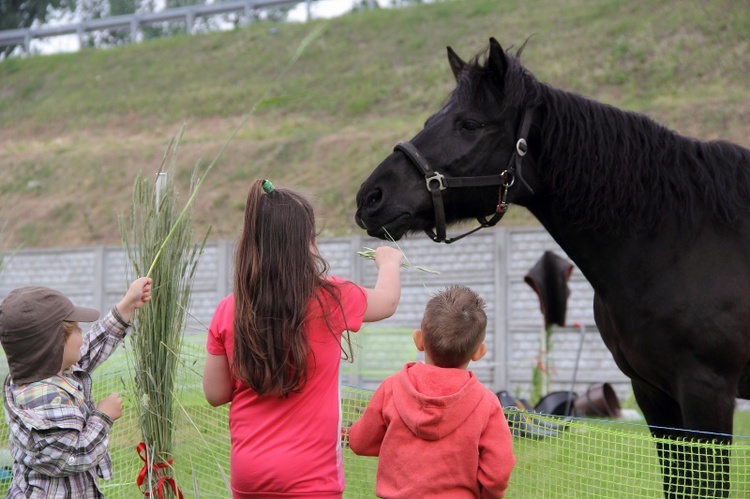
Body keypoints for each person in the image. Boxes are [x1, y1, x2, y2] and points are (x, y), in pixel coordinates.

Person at [202, 179, 404, 498]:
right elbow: (387, 302)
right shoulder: (331, 297)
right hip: (311, 480)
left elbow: (215, 394)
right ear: (304, 242)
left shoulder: (228, 309)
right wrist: (389, 263)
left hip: (249, 477)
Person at [348, 285, 516, 498]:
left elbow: (361, 442)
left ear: (419, 340)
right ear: (479, 352)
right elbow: (498, 470)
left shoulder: (391, 388)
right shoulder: (486, 403)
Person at [0, 276, 153, 498]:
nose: (83, 334)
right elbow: (76, 455)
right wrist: (103, 416)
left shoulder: (44, 373)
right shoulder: (45, 399)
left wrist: (127, 305)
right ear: (52, 344)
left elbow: (91, 347)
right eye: (76, 329)